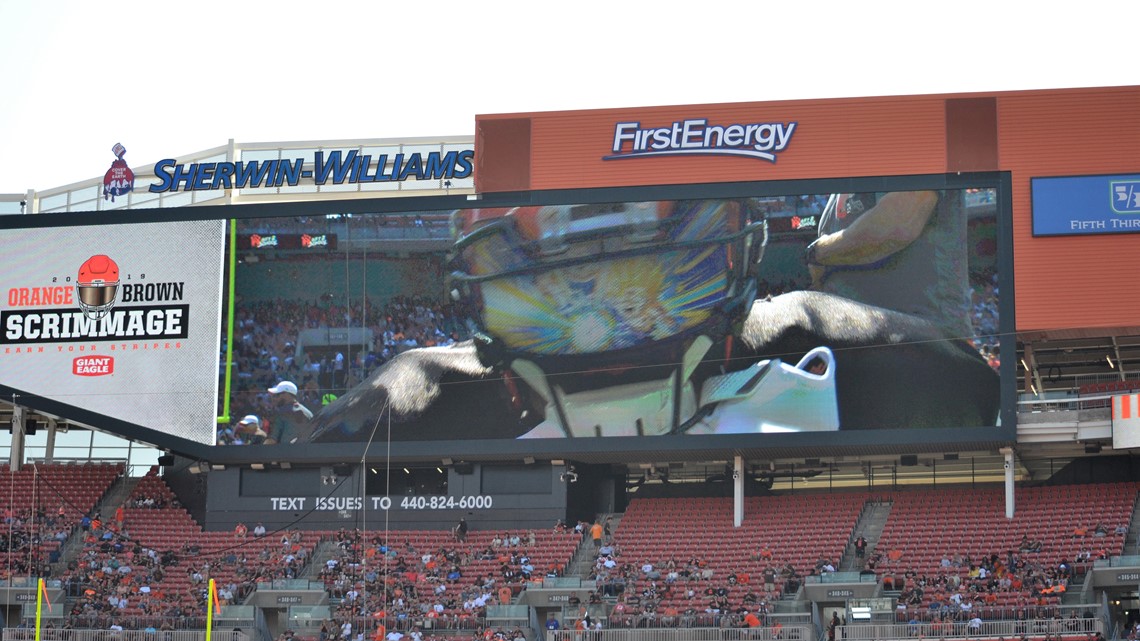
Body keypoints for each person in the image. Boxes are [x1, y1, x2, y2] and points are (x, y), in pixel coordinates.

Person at [307, 193, 998, 442]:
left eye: (641, 280)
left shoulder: (413, 404)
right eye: (562, 291)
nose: (601, 316)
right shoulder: (885, 364)